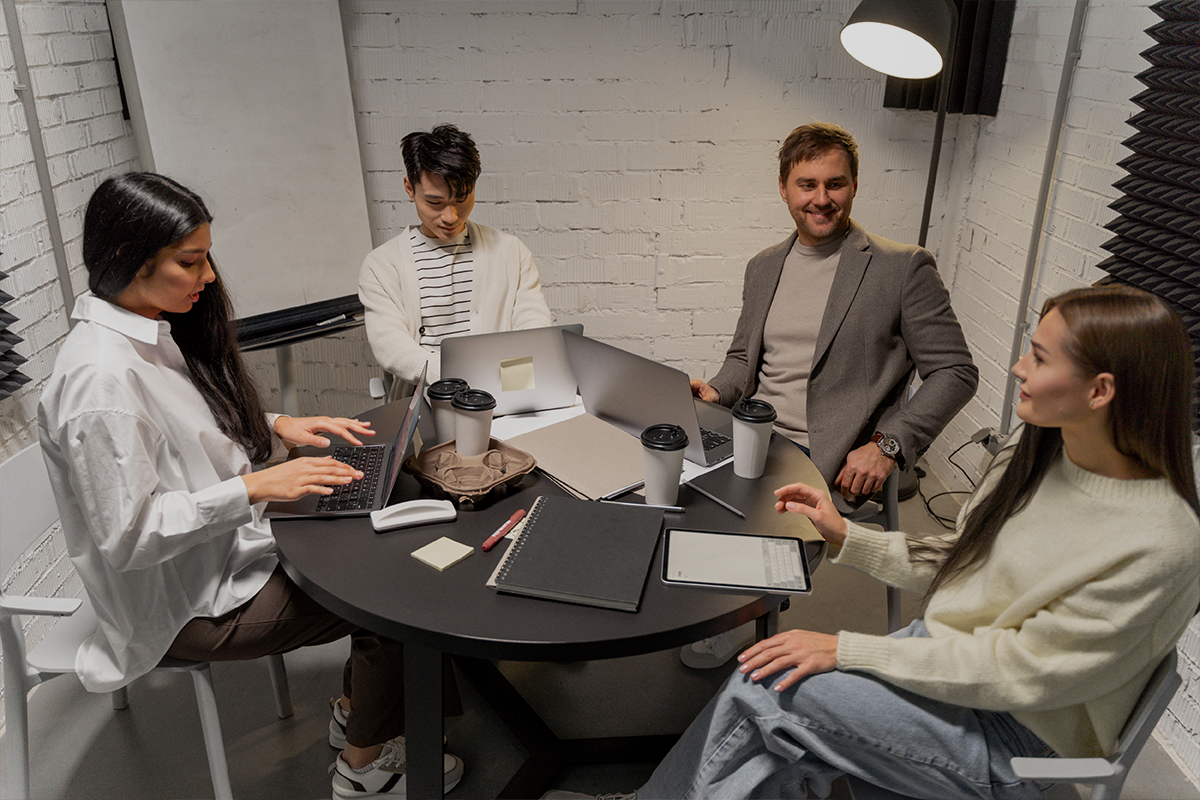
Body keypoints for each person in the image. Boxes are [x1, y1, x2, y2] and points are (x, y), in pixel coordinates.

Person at [549, 284, 1200, 799]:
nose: (1017, 366)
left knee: (768, 687)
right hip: (945, 666)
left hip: (1012, 740)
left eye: (1040, 356)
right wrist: (845, 535)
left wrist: (849, 650)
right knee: (772, 722)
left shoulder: (1161, 541)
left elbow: (1018, 673)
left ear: (1101, 390)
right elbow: (962, 560)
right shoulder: (1039, 453)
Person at [38, 172, 464, 799]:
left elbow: (185, 429)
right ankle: (363, 767)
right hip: (190, 604)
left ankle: (359, 707)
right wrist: (260, 487)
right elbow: (128, 539)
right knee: (393, 595)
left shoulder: (143, 329)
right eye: (191, 261)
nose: (209, 277)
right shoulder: (99, 383)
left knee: (376, 535)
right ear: (130, 259)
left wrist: (278, 425)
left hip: (219, 557)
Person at [682, 121, 979, 669]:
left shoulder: (901, 267)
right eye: (807, 184)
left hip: (832, 454)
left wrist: (889, 445)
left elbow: (956, 372)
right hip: (752, 434)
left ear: (855, 186)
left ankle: (742, 614)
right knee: (669, 493)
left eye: (835, 184)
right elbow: (745, 360)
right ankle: (721, 603)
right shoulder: (764, 266)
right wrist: (715, 389)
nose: (821, 199)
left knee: (764, 523)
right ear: (783, 188)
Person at [359, 123, 553, 398]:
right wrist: (468, 375)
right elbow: (392, 348)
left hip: (506, 391)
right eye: (435, 202)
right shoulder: (381, 266)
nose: (450, 216)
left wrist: (508, 382)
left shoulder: (511, 251)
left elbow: (534, 328)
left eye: (461, 199)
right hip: (427, 397)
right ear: (409, 189)